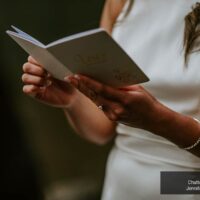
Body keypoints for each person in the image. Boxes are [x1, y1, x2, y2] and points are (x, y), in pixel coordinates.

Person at [21, 0, 200, 199]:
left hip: (189, 184)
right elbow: (101, 130)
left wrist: (157, 120)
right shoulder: (122, 2)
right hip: (124, 179)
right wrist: (72, 99)